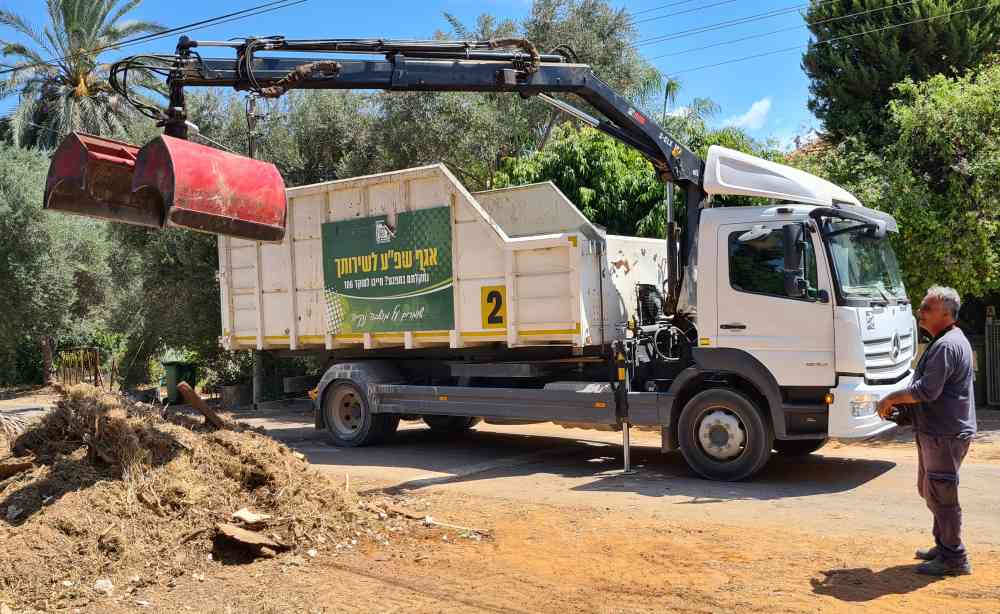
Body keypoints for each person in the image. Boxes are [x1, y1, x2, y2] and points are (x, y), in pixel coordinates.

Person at [877, 286, 976, 576]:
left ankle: (954, 558)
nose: (920, 313)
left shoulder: (947, 345)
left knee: (942, 495)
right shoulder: (946, 341)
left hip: (944, 434)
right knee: (930, 489)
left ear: (946, 314)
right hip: (939, 431)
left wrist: (891, 398)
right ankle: (944, 545)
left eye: (926, 309)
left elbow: (926, 391)